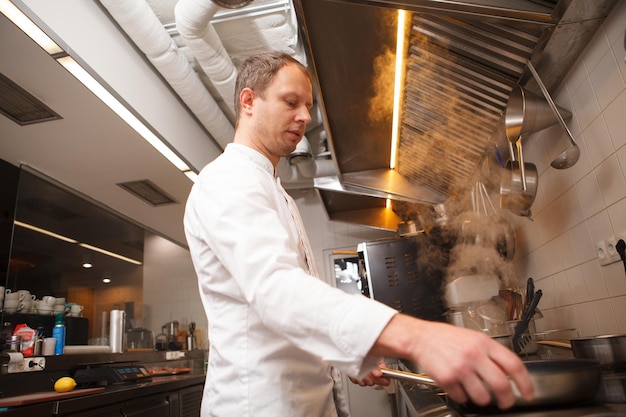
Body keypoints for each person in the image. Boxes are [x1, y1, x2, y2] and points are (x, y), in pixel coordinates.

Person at [183, 51, 534, 417]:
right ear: (249, 101)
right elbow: (276, 291)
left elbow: (290, 314)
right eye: (291, 102)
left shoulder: (275, 191)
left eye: (308, 105)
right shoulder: (228, 181)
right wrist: (419, 337)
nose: (305, 116)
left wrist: (354, 356)